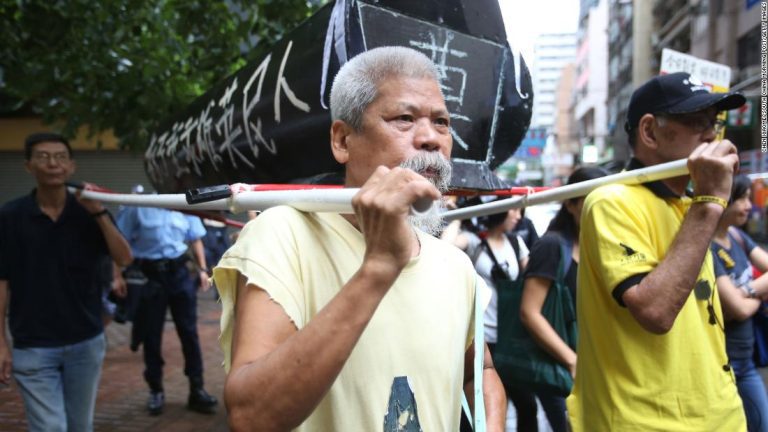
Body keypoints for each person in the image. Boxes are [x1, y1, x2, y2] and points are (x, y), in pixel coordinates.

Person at [213, 46, 507, 431]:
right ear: (342, 140)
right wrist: (380, 266)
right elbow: (252, 417)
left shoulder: (454, 264)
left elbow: (479, 371)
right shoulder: (283, 233)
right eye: (405, 118)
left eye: (442, 123)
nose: (431, 139)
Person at [567, 72, 748, 430]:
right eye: (696, 123)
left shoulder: (689, 205)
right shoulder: (611, 202)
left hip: (718, 414)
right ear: (649, 132)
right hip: (644, 421)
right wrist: (710, 201)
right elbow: (655, 311)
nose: (711, 135)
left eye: (713, 124)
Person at [0, 132, 133, 432]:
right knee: (50, 428)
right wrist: (1, 343)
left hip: (85, 341)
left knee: (79, 426)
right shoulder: (10, 216)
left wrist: (98, 211)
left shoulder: (90, 213)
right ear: (28, 166)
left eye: (60, 157)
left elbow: (125, 258)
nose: (52, 164)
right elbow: (2, 281)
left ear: (71, 166)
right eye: (43, 157)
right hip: (32, 344)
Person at [520, 166, 608, 432]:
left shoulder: (604, 243)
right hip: (562, 366)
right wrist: (571, 360)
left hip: (598, 362)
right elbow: (529, 312)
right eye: (589, 201)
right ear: (570, 204)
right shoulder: (552, 245)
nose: (599, 209)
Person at [444, 200, 538, 431]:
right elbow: (445, 246)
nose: (518, 215)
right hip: (484, 335)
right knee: (481, 394)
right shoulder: (475, 240)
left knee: (527, 404)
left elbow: (531, 277)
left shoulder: (516, 243)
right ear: (498, 210)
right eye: (513, 209)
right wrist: (458, 217)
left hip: (511, 335)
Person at [115, 206, 218, 415]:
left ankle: (196, 389)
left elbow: (195, 238)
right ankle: (156, 390)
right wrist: (117, 274)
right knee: (151, 335)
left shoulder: (183, 205)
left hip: (179, 274)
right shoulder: (138, 208)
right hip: (151, 276)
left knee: (189, 333)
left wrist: (203, 269)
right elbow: (118, 240)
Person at [711, 174, 768, 432]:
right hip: (723, 366)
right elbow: (738, 309)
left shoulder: (737, 236)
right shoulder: (707, 248)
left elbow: (741, 303)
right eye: (741, 198)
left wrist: (746, 290)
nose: (748, 205)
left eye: (748, 198)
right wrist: (760, 292)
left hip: (748, 362)